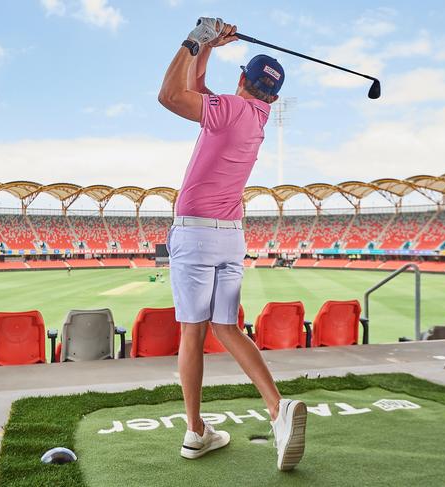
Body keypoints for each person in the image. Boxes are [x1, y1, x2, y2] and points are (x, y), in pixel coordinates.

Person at [158, 17, 307, 471]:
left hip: (196, 233)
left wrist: (195, 39)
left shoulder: (232, 110)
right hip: (230, 237)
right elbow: (199, 88)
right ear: (274, 97)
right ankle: (277, 409)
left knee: (193, 331)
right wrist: (209, 49)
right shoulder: (255, 116)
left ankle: (195, 430)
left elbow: (170, 96)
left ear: (242, 79)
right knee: (226, 327)